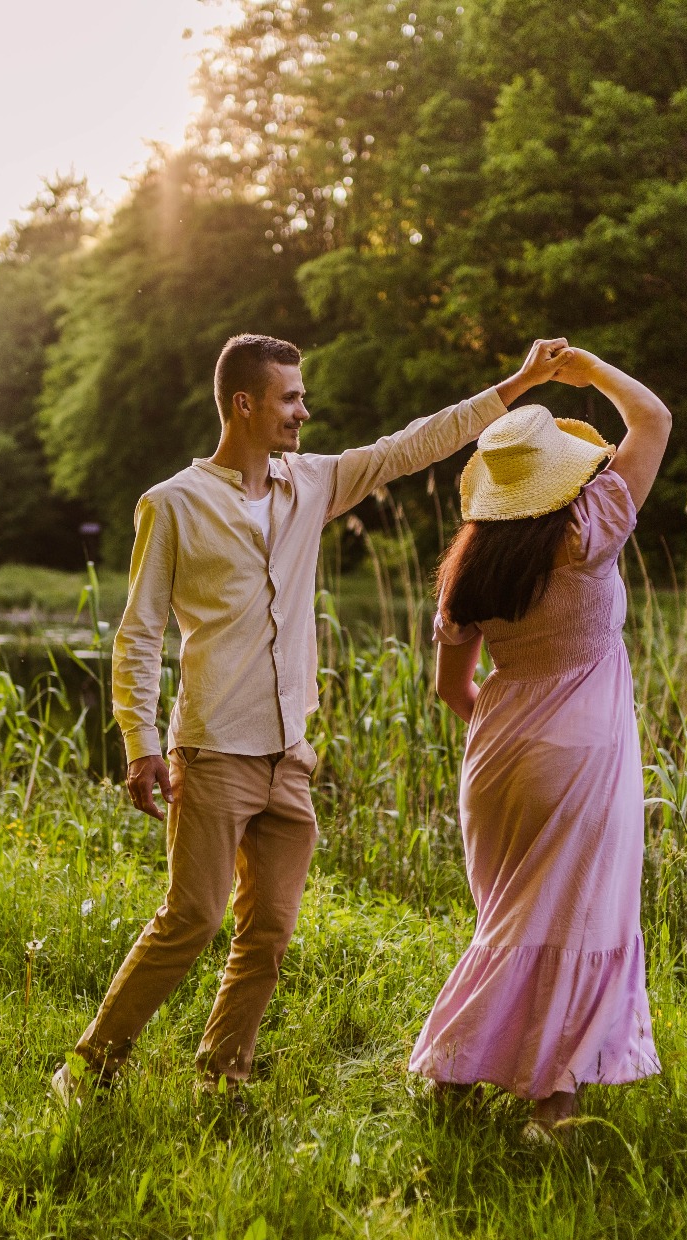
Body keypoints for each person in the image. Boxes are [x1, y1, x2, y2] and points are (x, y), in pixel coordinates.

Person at [55, 331, 577, 1105]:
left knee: (267, 933)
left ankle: (222, 1079)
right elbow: (140, 633)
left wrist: (516, 386)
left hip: (289, 756)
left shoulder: (312, 483)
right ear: (245, 404)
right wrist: (140, 741)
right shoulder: (172, 504)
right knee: (191, 917)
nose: (304, 411)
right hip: (213, 750)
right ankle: (88, 1069)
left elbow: (410, 446)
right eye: (290, 398)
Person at [408, 348, 672, 1139]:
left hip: (494, 756)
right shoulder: (593, 528)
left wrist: (516, 732)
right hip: (581, 752)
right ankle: (552, 1102)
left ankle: (457, 1077)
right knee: (581, 919)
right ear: (561, 475)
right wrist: (588, 369)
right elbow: (654, 418)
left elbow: (452, 689)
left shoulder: (467, 569)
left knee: (511, 922)